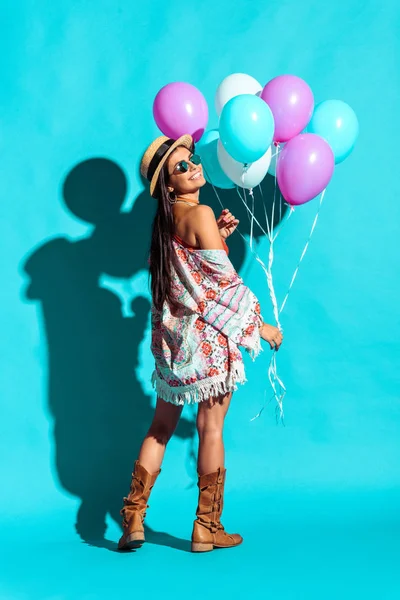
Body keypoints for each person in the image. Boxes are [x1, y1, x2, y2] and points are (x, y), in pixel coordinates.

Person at [118, 135, 283, 553]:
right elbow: (222, 287)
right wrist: (259, 327)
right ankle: (206, 527)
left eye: (190, 159)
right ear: (169, 186)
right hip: (207, 343)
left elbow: (189, 277)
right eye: (181, 167)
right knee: (211, 429)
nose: (193, 166)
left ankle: (133, 517)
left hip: (174, 346)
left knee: (160, 429)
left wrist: (218, 236)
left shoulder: (166, 222)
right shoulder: (201, 213)